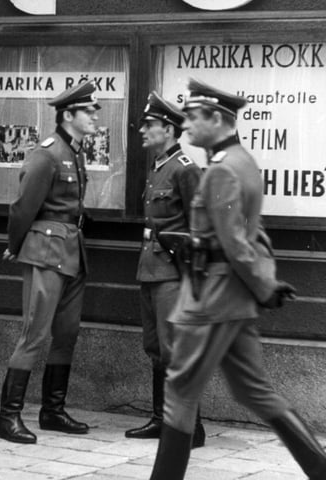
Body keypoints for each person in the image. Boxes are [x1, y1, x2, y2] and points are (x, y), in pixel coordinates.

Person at [148, 78, 326, 480]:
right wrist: (263, 283)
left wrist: (265, 286)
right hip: (234, 297)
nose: (185, 126)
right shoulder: (243, 161)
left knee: (179, 391)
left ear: (216, 118)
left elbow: (235, 242)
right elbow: (254, 235)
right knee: (254, 390)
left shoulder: (222, 171)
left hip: (211, 298)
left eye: (192, 118)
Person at [0, 81, 100, 443]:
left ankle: (52, 411)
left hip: (72, 252)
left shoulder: (75, 152)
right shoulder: (48, 153)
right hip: (46, 252)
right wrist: (17, 244)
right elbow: (23, 207)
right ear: (68, 115)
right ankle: (7, 417)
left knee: (66, 333)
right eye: (88, 111)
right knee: (34, 334)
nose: (94, 117)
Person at [124, 92, 205, 447]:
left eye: (150, 125)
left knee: (176, 351)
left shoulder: (185, 169)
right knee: (156, 347)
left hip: (173, 272)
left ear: (169, 129)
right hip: (152, 269)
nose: (142, 130)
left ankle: (189, 429)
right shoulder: (159, 167)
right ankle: (162, 419)